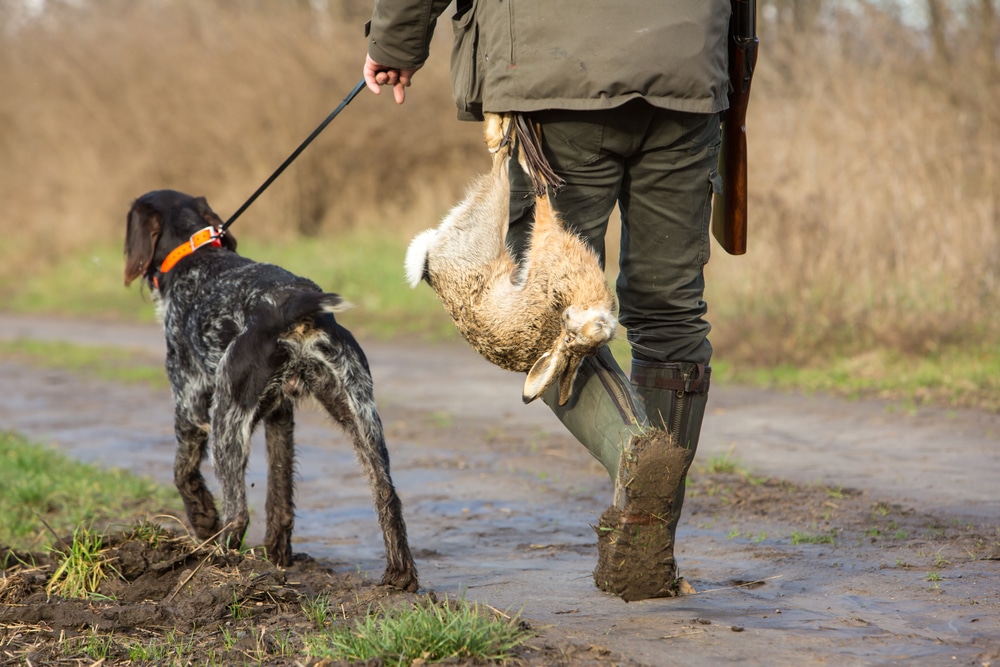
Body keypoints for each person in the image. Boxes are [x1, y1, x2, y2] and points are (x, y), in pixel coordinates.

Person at [363, 0, 730, 601]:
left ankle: (635, 450)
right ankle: (646, 553)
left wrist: (396, 40)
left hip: (554, 75)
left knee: (542, 317)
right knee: (671, 314)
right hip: (685, 67)